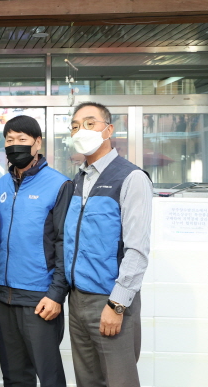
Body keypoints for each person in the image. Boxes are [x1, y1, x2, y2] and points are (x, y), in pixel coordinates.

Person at [65, 102, 152, 386]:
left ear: (109, 129)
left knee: (119, 380)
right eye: (76, 126)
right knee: (87, 381)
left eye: (90, 123)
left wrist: (116, 305)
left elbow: (137, 250)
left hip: (109, 301)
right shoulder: (78, 181)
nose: (82, 131)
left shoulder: (130, 177)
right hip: (77, 301)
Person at [0, 115, 72, 387]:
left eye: (22, 139)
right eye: (10, 140)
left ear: (38, 142)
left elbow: (65, 243)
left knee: (48, 376)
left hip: (40, 297)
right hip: (3, 296)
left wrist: (56, 293)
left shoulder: (59, 184)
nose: (15, 145)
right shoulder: (0, 186)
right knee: (14, 376)